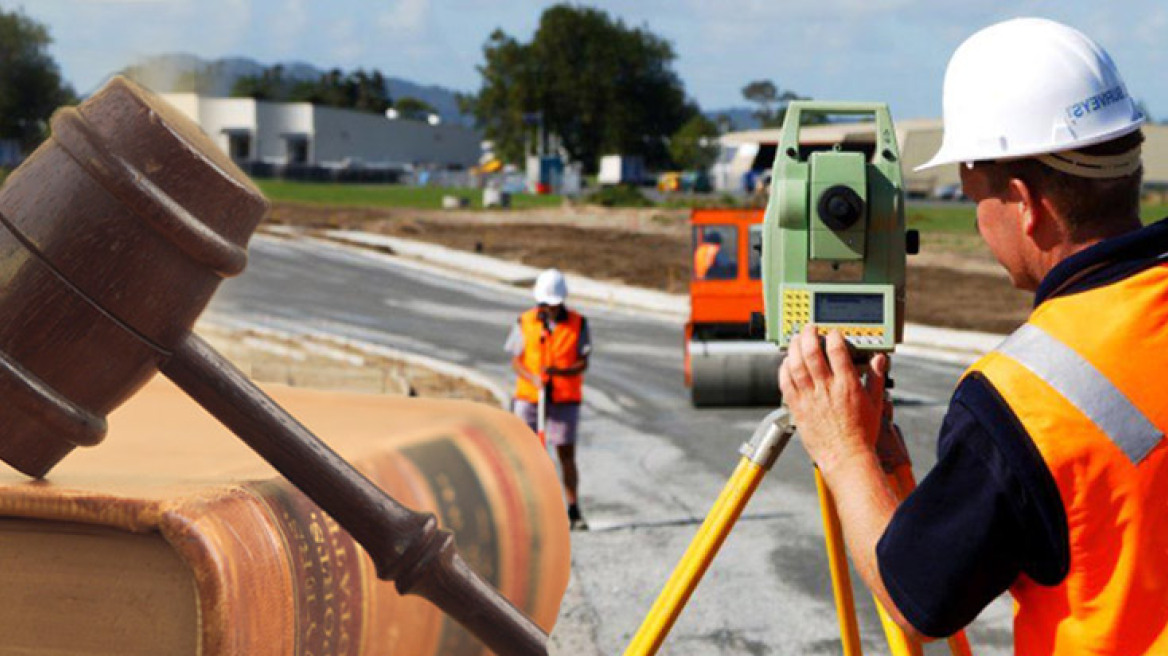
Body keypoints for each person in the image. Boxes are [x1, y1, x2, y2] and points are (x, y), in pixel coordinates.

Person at [779, 18, 1168, 654]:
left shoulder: (1027, 397)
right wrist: (891, 467)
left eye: (974, 198)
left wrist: (844, 450)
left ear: (1022, 202)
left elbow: (918, 603)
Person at [505, 268, 592, 531]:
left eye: (551, 304)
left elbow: (582, 362)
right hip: (530, 398)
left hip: (565, 397)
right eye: (543, 303)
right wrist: (532, 378)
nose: (547, 309)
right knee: (526, 454)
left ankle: (573, 510)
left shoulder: (579, 324)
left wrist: (558, 373)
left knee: (565, 453)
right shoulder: (525, 321)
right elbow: (515, 360)